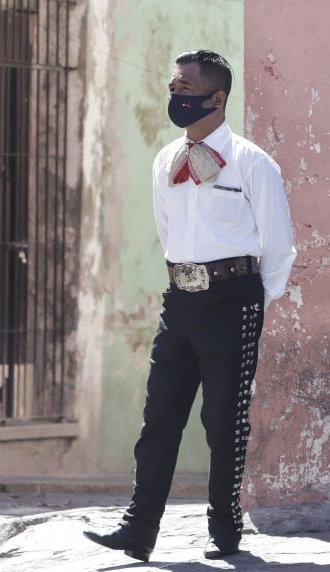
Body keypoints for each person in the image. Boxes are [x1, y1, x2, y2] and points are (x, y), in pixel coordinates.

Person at [83, 49, 296, 561]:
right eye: (173, 87)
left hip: (234, 302)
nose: (175, 96)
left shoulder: (252, 163)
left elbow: (279, 248)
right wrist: (188, 283)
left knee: (224, 421)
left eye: (185, 88)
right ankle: (138, 528)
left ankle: (224, 529)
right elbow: (167, 230)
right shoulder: (164, 161)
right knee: (159, 416)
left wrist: (249, 304)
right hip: (179, 299)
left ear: (216, 97)